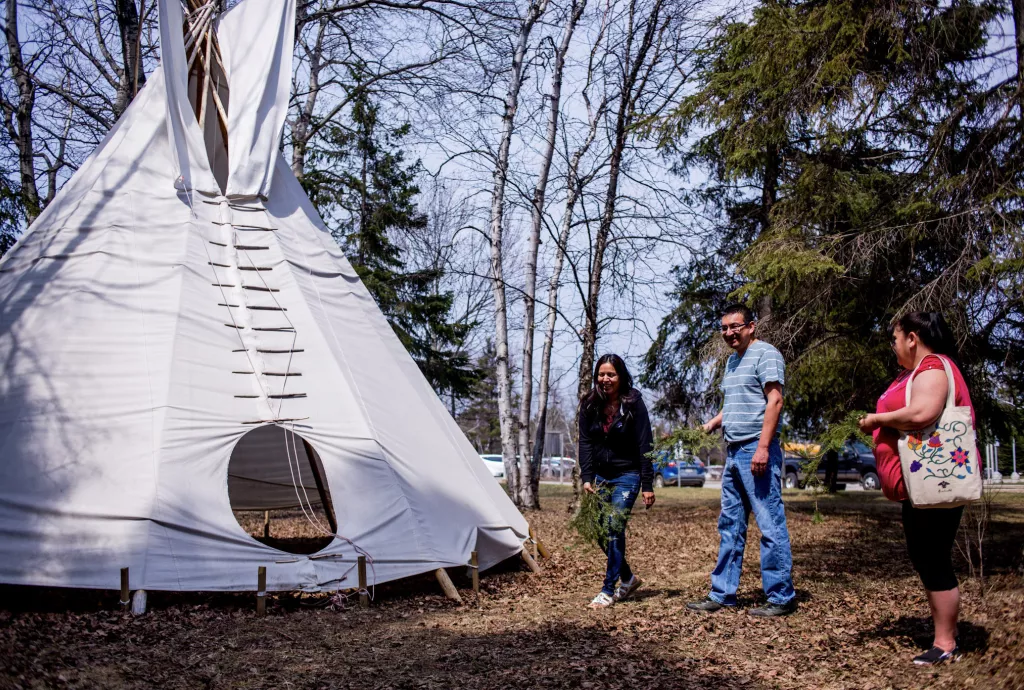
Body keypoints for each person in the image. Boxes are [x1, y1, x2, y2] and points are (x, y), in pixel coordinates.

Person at [858, 312, 974, 666]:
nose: (893, 346)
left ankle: (945, 644)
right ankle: (945, 636)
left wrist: (878, 420)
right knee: (928, 557)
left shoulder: (933, 367)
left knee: (933, 558)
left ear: (912, 337)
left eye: (895, 339)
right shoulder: (916, 372)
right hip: (922, 487)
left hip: (936, 482)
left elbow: (923, 412)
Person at [687, 304, 797, 617]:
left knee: (769, 523)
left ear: (751, 326)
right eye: (724, 328)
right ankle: (723, 594)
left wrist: (763, 448)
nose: (729, 333)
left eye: (735, 326)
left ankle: (780, 597)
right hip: (733, 452)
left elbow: (774, 400)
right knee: (730, 525)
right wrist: (712, 423)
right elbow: (735, 406)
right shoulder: (733, 362)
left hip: (755, 450)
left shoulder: (766, 354)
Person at [578, 354, 656, 608]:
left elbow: (646, 443)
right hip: (600, 476)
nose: (605, 379)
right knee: (603, 533)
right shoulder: (589, 404)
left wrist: (647, 484)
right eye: (601, 374)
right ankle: (628, 578)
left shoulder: (633, 403)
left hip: (628, 475)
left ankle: (608, 589)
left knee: (613, 526)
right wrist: (587, 476)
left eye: (611, 374)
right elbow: (585, 442)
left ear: (620, 376)